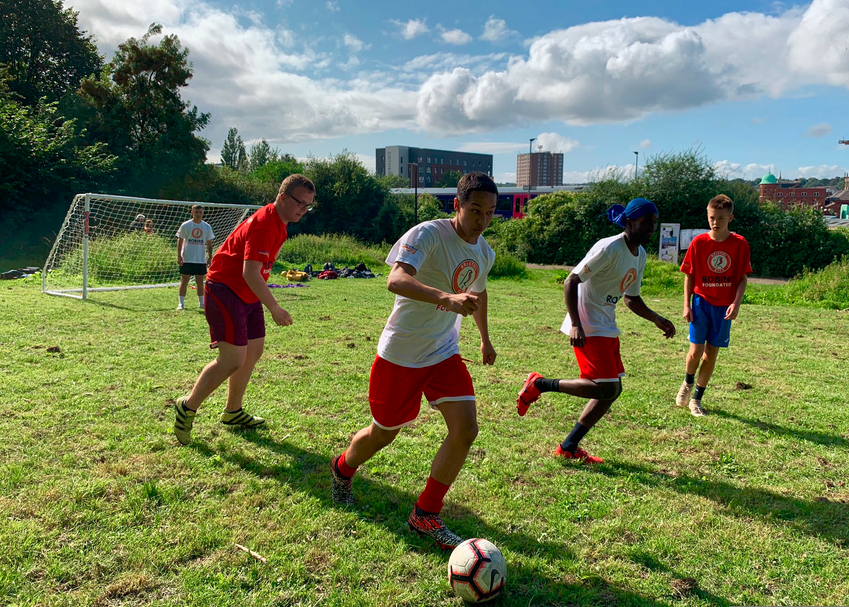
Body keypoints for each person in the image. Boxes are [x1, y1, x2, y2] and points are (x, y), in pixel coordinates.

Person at [329, 172, 498, 550]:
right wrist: (446, 298)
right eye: (475, 210)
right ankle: (342, 469)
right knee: (383, 434)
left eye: (490, 213)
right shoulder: (428, 234)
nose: (482, 220)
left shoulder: (484, 252)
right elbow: (396, 279)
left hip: (443, 351)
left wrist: (485, 339)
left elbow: (479, 293)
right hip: (401, 354)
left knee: (466, 430)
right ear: (457, 205)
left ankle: (426, 513)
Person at [517, 198, 676, 464]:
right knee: (605, 388)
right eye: (647, 222)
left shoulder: (640, 255)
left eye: (654, 222)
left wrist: (656, 319)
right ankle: (539, 384)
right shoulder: (610, 247)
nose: (652, 227)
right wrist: (576, 324)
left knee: (612, 390)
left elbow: (631, 298)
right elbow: (571, 281)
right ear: (630, 222)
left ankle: (569, 446)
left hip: (606, 323)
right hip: (588, 322)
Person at [172, 174, 315, 445]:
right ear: (283, 197)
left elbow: (255, 272)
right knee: (232, 359)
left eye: (308, 206)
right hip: (226, 288)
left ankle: (233, 411)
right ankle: (187, 407)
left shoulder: (280, 224)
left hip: (246, 292)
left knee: (253, 351)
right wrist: (274, 307)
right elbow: (249, 272)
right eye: (300, 203)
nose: (303, 210)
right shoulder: (265, 224)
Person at [675, 194, 752, 416]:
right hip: (701, 303)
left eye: (720, 218)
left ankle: (696, 399)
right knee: (695, 352)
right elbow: (689, 275)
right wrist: (686, 305)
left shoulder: (740, 244)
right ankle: (687, 383)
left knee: (711, 354)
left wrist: (736, 304)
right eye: (711, 218)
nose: (715, 222)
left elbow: (742, 279)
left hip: (723, 307)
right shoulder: (698, 243)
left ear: (730, 218)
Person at [176, 205, 215, 311]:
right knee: (184, 280)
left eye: (200, 212)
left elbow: (209, 243)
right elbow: (180, 240)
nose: (198, 214)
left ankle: (202, 303)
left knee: (200, 281)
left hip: (200, 259)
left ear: (203, 213)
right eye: (196, 212)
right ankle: (181, 304)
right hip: (187, 258)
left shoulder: (207, 227)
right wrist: (179, 256)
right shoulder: (186, 225)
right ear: (192, 213)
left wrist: (210, 257)